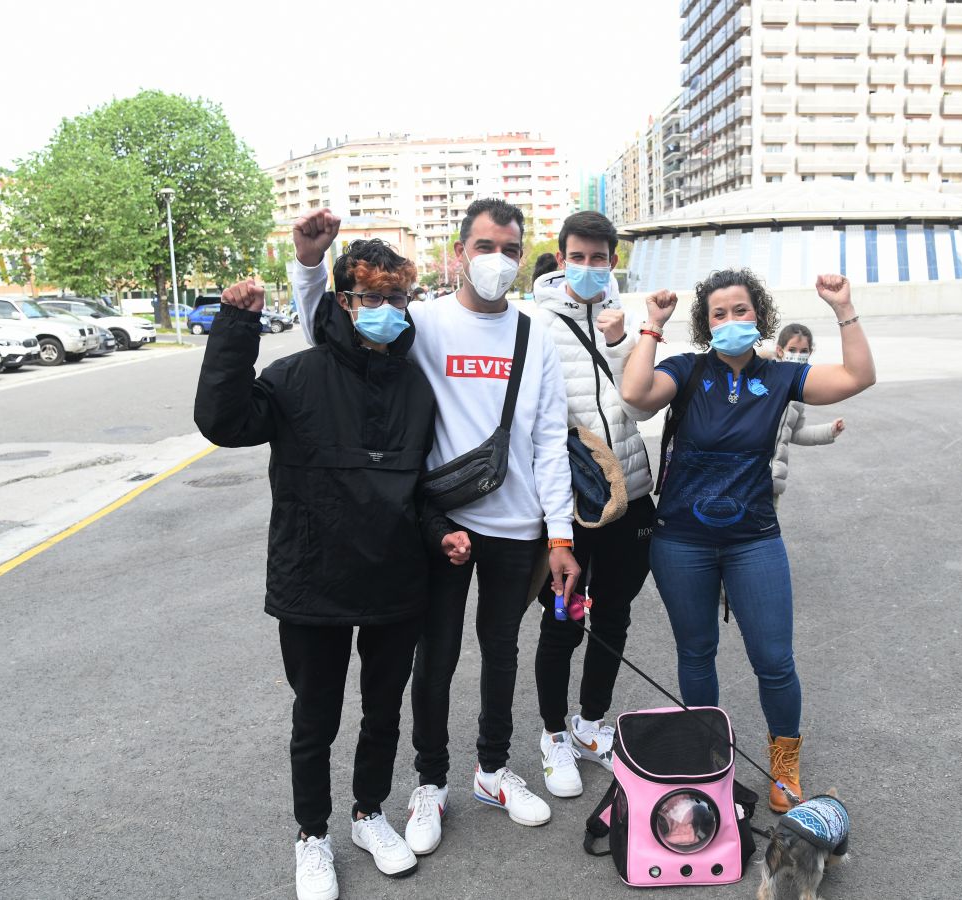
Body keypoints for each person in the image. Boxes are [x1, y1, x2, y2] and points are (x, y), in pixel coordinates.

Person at [291, 199, 580, 856]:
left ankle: (492, 769)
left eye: (511, 249)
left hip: (518, 524)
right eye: (485, 246)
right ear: (458, 252)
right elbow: (330, 335)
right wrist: (309, 265)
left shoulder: (535, 333)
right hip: (440, 524)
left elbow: (548, 444)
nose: (498, 261)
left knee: (501, 648)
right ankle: (430, 782)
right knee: (438, 656)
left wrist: (560, 536)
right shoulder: (420, 321)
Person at [195, 238, 473, 900]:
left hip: (394, 578)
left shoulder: (415, 388)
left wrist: (443, 535)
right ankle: (311, 834)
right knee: (314, 716)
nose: (386, 310)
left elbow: (420, 488)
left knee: (382, 711)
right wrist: (235, 327)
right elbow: (223, 420)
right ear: (343, 303)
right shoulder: (295, 377)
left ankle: (368, 813)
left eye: (397, 298)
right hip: (312, 576)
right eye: (372, 297)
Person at [620, 270, 875, 814]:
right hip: (680, 540)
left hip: (753, 539)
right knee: (697, 652)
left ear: (758, 316)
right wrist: (651, 327)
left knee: (774, 660)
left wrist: (844, 309)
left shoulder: (783, 377)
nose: (731, 320)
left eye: (741, 310)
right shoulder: (687, 370)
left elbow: (857, 376)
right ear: (706, 324)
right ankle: (707, 755)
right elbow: (635, 395)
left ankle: (784, 765)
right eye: (719, 313)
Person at [526, 210, 656, 799]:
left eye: (598, 258)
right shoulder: (534, 324)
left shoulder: (618, 320)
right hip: (573, 508)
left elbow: (642, 406)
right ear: (559, 259)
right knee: (564, 624)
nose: (586, 268)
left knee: (615, 616)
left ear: (611, 262)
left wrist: (622, 340)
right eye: (576, 257)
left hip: (631, 497)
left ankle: (590, 724)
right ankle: (553, 735)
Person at [757, 323, 845, 508]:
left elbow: (795, 432)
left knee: (765, 533)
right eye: (792, 349)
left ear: (810, 352)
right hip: (747, 476)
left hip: (772, 481)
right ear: (780, 351)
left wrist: (829, 431)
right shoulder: (763, 378)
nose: (798, 355)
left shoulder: (799, 391)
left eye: (804, 350)